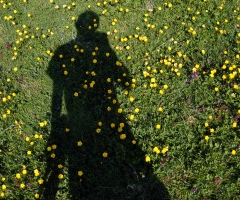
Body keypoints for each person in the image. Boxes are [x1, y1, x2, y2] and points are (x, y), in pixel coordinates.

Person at [41, 11, 169, 199]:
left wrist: (56, 117)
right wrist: (125, 80)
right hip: (95, 112)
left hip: (82, 114)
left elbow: (57, 85)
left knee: (89, 151)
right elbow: (119, 71)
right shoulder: (98, 46)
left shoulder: (68, 50)